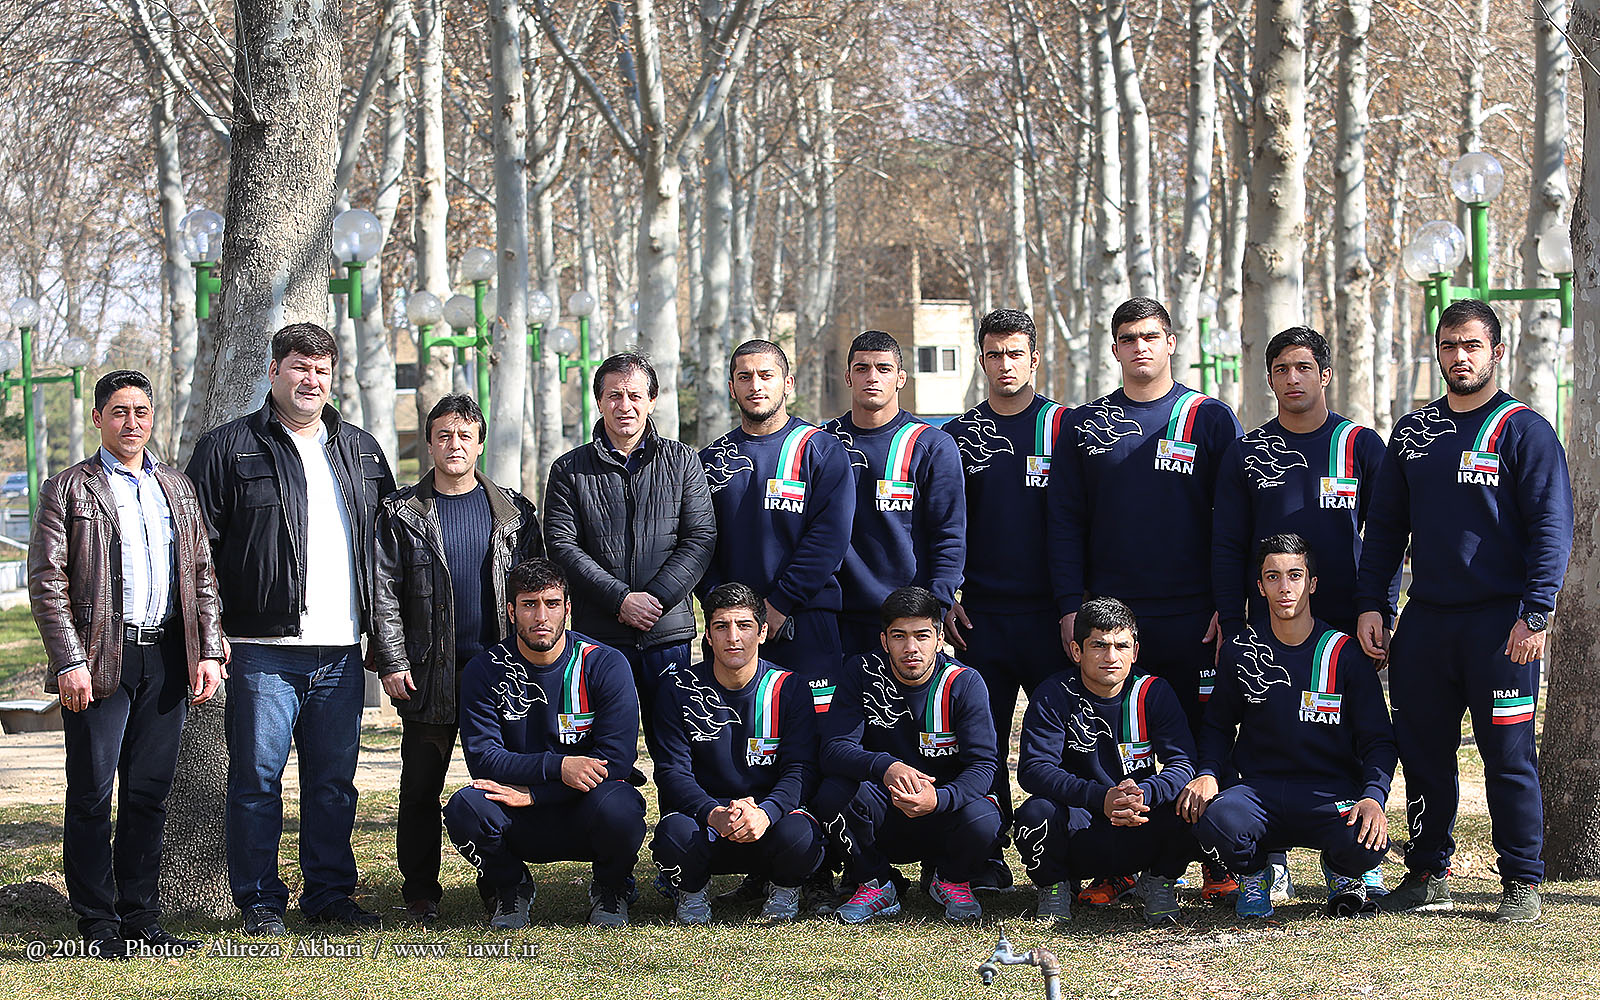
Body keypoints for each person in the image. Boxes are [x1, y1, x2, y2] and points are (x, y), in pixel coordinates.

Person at [1355, 298, 1573, 923]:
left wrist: (1536, 613)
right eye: (1449, 345)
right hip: (1426, 622)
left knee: (1507, 756)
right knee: (1423, 752)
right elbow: (1385, 529)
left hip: (1502, 627)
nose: (1460, 357)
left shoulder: (1525, 430)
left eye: (1472, 345)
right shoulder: (1413, 432)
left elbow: (1552, 527)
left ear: (1496, 353)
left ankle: (1522, 880)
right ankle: (1428, 872)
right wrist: (1373, 604)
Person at [187, 323, 397, 935]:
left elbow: (387, 552)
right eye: (300, 367)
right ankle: (259, 902)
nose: (312, 380)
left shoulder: (360, 450)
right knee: (256, 781)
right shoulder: (228, 447)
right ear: (273, 371)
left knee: (333, 784)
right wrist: (209, 638)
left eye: (322, 370)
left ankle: (329, 895)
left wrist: (385, 640)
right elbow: (198, 552)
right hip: (261, 649)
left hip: (341, 650)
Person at [1046, 296, 1242, 902]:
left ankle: (1213, 858)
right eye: (1128, 338)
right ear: (1114, 349)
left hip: (1193, 614)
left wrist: (1228, 601)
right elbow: (1065, 521)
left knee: (1199, 738)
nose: (1140, 347)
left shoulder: (1209, 418)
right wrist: (1070, 605)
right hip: (1111, 619)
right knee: (1109, 743)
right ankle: (1118, 863)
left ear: (1171, 342)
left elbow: (1232, 518)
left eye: (1151, 336)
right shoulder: (1085, 423)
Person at [28, 369, 225, 959]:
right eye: (119, 411)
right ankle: (96, 920)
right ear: (98, 419)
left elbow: (201, 574)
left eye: (141, 411)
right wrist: (70, 660)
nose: (131, 422)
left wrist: (209, 649)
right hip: (99, 661)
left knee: (149, 795)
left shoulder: (177, 488)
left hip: (166, 658)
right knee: (92, 794)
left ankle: (140, 916)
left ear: (152, 417)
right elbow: (47, 582)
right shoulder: (68, 489)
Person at [1209, 326, 1394, 902]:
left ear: (1325, 375)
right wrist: (1232, 619)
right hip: (1272, 617)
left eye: (1304, 367)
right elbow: (1228, 543)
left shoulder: (1360, 444)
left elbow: (1386, 536)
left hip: (1344, 620)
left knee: (1342, 724)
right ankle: (1268, 858)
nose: (1293, 378)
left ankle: (1348, 855)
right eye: (1281, 369)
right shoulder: (1248, 451)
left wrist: (1376, 606)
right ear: (1269, 379)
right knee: (1273, 725)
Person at [371, 393, 543, 924]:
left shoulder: (515, 512)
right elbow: (383, 591)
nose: (454, 445)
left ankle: (502, 883)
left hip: (501, 676)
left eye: (465, 436)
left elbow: (537, 591)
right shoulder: (400, 512)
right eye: (444, 435)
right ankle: (421, 891)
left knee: (500, 785)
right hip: (428, 673)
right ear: (429, 443)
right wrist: (393, 660)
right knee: (420, 789)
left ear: (480, 444)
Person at [1179, 534, 1395, 921]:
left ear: (1312, 584)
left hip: (1329, 793)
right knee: (1213, 819)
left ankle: (1342, 872)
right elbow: (1217, 725)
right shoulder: (1241, 650)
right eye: (1273, 577)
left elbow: (1378, 739)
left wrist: (1374, 796)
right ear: (1260, 587)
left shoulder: (1343, 652)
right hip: (1260, 793)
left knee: (1368, 839)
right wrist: (1208, 773)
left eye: (1295, 575)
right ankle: (1254, 875)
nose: (1284, 587)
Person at [442, 558, 647, 928]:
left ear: (567, 608)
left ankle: (611, 886)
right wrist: (558, 766)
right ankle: (510, 886)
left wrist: (537, 794)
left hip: (584, 805)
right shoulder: (484, 670)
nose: (541, 616)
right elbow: (484, 759)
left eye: (552, 604)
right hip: (517, 810)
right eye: (529, 604)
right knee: (465, 807)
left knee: (623, 806)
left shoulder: (605, 663)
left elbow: (616, 760)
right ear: (511, 612)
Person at [943, 307, 1073, 889]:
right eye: (994, 355)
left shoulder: (1068, 428)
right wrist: (946, 594)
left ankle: (1066, 854)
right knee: (984, 742)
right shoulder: (958, 436)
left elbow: (1086, 524)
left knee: (1063, 743)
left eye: (1015, 353)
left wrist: (1076, 604)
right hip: (982, 619)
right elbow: (943, 525)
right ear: (981, 360)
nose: (1005, 365)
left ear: (1034, 359)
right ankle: (988, 853)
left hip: (1053, 618)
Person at [544, 352, 715, 765]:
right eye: (614, 396)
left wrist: (654, 600)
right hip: (599, 634)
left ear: (652, 400)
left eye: (635, 396)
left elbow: (700, 538)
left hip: (666, 632)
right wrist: (620, 600)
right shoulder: (569, 470)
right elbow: (562, 546)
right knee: (601, 747)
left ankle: (679, 809)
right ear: (599, 402)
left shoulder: (682, 461)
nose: (625, 406)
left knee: (676, 747)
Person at [1013, 597, 1198, 927]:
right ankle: (1054, 886)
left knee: (1193, 800)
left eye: (1121, 646)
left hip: (1139, 814)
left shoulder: (1154, 691)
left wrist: (1144, 793)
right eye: (1099, 645)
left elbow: (1182, 763)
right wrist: (1101, 798)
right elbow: (1033, 770)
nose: (1111, 657)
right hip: (1081, 820)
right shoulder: (1054, 693)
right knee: (1035, 813)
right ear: (1076, 651)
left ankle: (1159, 881)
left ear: (1135, 652)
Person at [822, 587, 1002, 924]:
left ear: (939, 638)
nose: (911, 647)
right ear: (884, 640)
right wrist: (886, 766)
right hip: (884, 811)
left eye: (922, 635)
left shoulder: (964, 682)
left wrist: (940, 799)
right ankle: (876, 883)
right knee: (832, 792)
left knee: (986, 816)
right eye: (899, 636)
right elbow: (834, 748)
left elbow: (983, 766)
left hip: (944, 812)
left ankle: (949, 879)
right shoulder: (860, 672)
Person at [650, 583, 823, 923]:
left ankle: (783, 889)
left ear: (762, 632)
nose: (733, 637)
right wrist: (713, 812)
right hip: (707, 822)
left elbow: (801, 769)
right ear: (708, 635)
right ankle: (691, 893)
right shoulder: (677, 689)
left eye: (744, 625)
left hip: (767, 823)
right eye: (721, 626)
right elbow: (672, 772)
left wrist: (766, 813)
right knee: (673, 834)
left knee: (802, 834)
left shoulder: (790, 687)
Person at [698, 339, 854, 701]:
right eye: (745, 377)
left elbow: (829, 539)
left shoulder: (821, 449)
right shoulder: (711, 460)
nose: (755, 385)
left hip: (804, 619)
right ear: (731, 388)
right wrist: (724, 609)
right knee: (738, 727)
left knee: (813, 728)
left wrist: (780, 603)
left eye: (766, 375)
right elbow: (698, 542)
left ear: (788, 383)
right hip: (732, 629)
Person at [821, 330, 965, 657]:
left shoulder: (931, 444)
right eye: (862, 368)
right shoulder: (822, 443)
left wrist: (938, 604)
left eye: (883, 368)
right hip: (835, 615)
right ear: (848, 377)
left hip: (909, 619)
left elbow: (949, 533)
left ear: (901, 378)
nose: (872, 377)